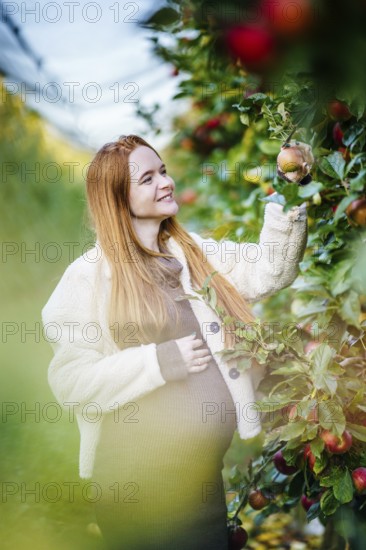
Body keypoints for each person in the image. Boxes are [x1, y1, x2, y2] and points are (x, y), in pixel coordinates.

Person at [41, 134, 309, 549]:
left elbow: (270, 270)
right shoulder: (89, 277)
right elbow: (71, 381)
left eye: (162, 171)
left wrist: (288, 188)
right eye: (147, 179)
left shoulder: (191, 252)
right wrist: (159, 362)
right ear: (117, 198)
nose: (164, 182)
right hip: (138, 489)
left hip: (201, 483)